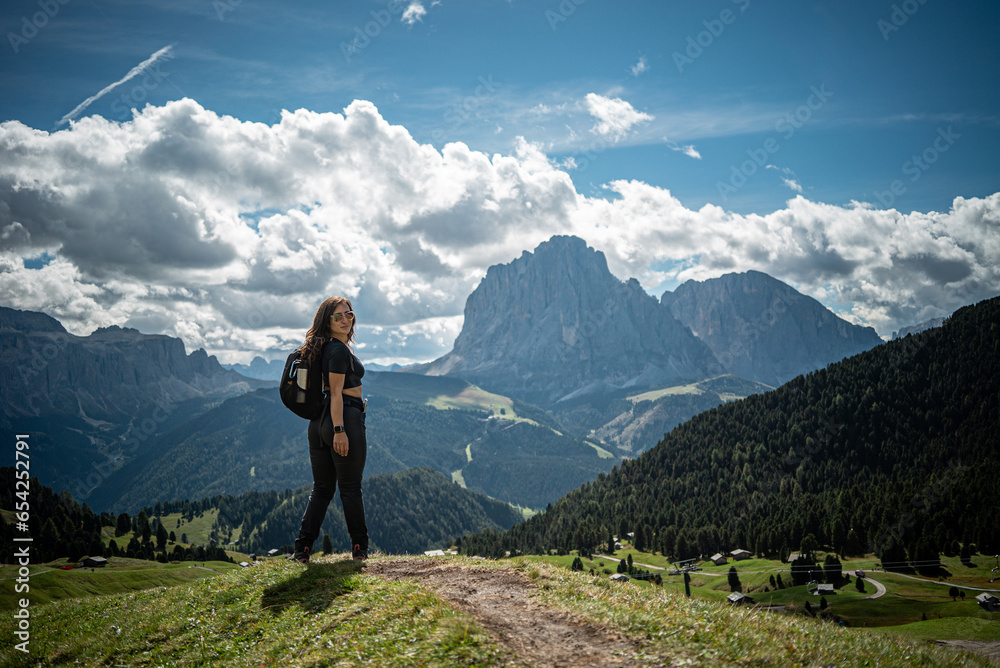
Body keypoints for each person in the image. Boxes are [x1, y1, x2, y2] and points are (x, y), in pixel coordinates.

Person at [292, 296, 369, 562]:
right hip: (342, 417)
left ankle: (302, 549)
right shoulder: (337, 350)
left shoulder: (324, 348)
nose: (345, 320)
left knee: (322, 488)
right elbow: (336, 393)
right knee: (350, 487)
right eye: (338, 316)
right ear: (327, 321)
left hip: (318, 424)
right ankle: (359, 548)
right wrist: (340, 430)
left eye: (349, 314)